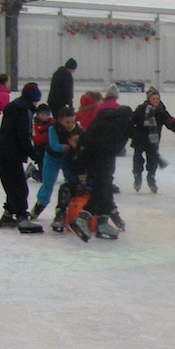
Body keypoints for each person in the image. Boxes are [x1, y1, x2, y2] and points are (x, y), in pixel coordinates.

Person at [71, 84, 132, 240]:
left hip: (89, 150)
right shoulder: (120, 119)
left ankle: (102, 222)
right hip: (99, 153)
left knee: (104, 185)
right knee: (102, 186)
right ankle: (84, 218)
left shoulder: (104, 113)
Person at [0, 83, 43, 234]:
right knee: (19, 186)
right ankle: (22, 217)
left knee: (12, 184)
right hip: (11, 153)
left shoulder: (14, 107)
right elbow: (23, 136)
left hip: (2, 151)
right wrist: (35, 155)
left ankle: (8, 214)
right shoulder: (24, 111)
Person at [130, 87, 175, 193]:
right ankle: (137, 177)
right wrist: (131, 133)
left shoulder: (161, 111)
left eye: (157, 98)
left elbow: (171, 122)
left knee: (152, 161)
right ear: (148, 99)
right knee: (138, 160)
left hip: (153, 141)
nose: (156, 101)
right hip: (140, 139)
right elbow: (131, 121)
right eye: (154, 98)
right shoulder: (141, 109)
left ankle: (151, 178)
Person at [34, 106, 78, 225]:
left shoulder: (77, 129)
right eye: (67, 122)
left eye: (72, 122)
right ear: (59, 120)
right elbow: (53, 144)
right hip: (52, 158)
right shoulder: (53, 128)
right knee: (47, 184)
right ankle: (39, 205)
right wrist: (66, 147)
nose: (70, 124)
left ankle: (67, 210)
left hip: (68, 160)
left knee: (71, 182)